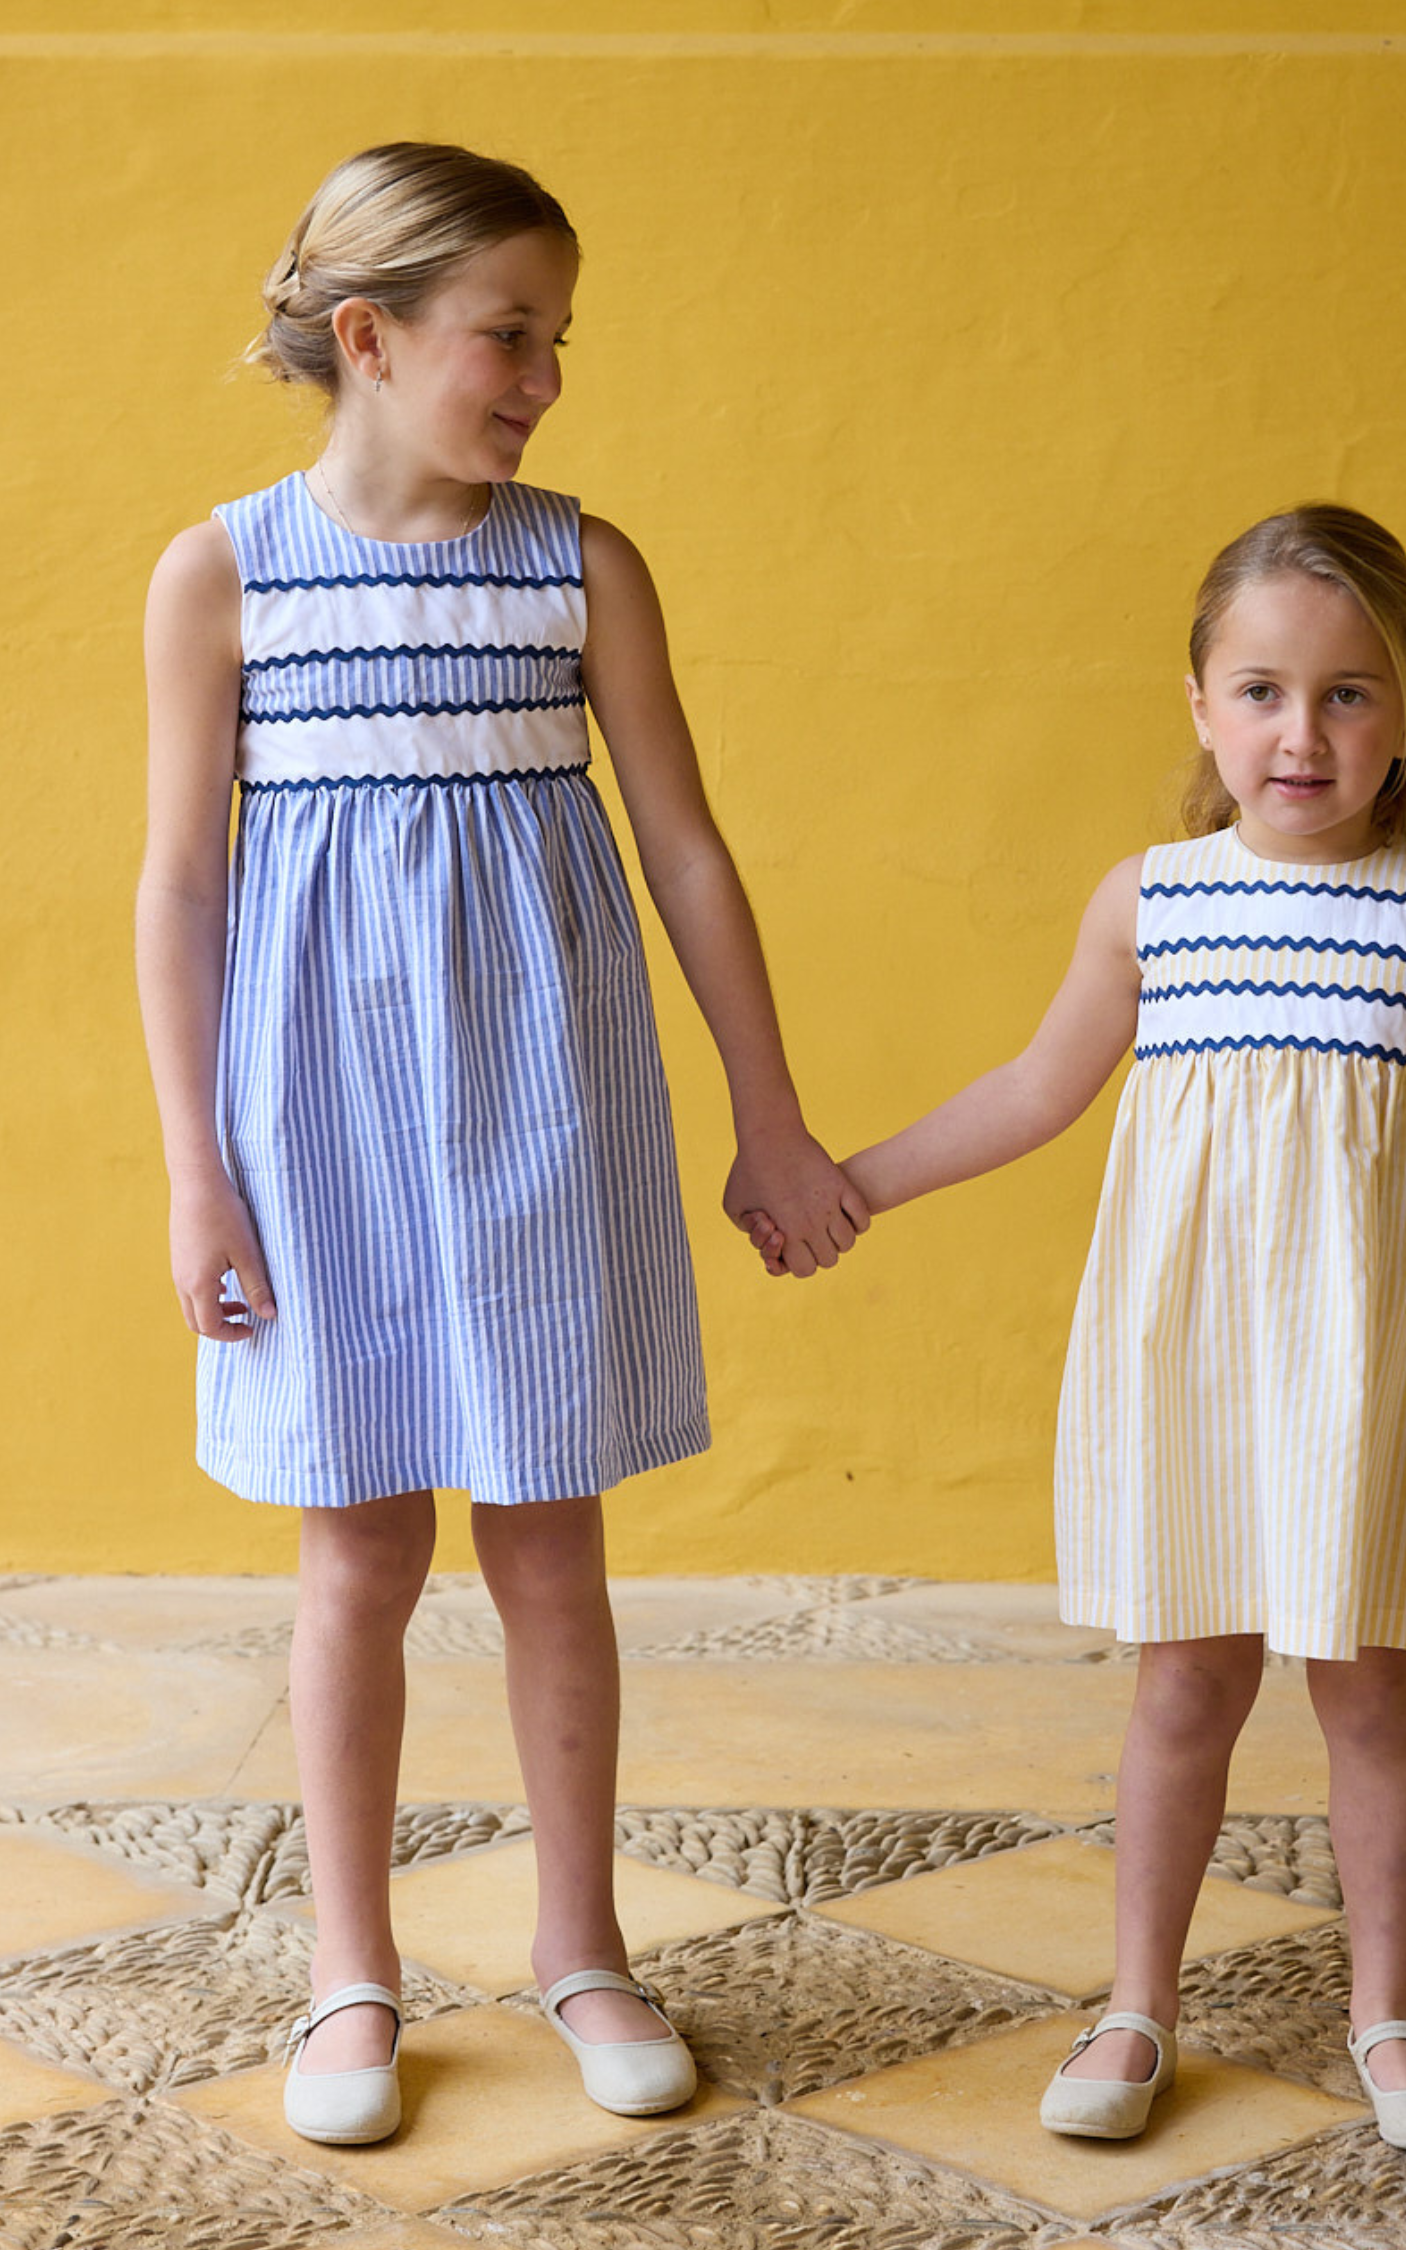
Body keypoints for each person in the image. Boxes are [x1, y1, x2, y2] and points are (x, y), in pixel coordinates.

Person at [136, 141, 867, 2147]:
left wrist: (771, 1117)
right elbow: (179, 880)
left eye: (557, 338)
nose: (545, 376)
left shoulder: (577, 564)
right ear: (369, 341)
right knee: (357, 1543)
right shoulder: (226, 574)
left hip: (548, 1117)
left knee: (550, 1538)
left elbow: (689, 855)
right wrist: (199, 1166)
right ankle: (348, 1972)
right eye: (510, 336)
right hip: (317, 1136)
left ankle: (580, 1943)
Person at [752, 503, 1406, 2150]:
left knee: (1372, 1688)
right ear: (1200, 704)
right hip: (1191, 1361)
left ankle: (1389, 2015)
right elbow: (1035, 1088)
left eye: (1350, 692)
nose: (1303, 731)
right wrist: (853, 1183)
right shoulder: (1156, 901)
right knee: (1184, 1685)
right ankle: (1136, 2005)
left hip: (1378, 1372)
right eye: (1262, 689)